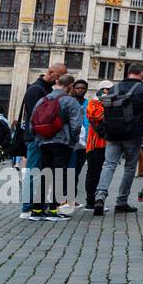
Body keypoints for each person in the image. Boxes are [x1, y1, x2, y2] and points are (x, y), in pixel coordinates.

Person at [93, 62, 143, 217]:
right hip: (132, 134)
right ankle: (121, 201)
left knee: (108, 165)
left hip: (112, 133)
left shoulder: (114, 87)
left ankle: (100, 196)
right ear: (141, 73)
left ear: (128, 73)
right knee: (129, 167)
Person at [29, 73, 83, 221]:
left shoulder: (43, 99)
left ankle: (37, 210)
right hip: (62, 142)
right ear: (70, 86)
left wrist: (37, 138)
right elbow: (76, 125)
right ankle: (53, 210)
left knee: (45, 174)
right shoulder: (70, 101)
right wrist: (73, 141)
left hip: (43, 142)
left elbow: (32, 121)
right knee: (59, 175)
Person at [17, 61, 66, 219]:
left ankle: (36, 206)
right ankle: (27, 208)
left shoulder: (45, 89)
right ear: (51, 73)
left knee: (40, 172)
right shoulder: (35, 90)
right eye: (58, 77)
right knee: (33, 172)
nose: (58, 81)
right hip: (35, 138)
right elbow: (37, 117)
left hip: (42, 138)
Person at [82, 85, 109, 209]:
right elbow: (96, 116)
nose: (107, 93)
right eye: (105, 90)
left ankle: (99, 200)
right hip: (94, 144)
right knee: (93, 172)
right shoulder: (93, 103)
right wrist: (108, 106)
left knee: (103, 173)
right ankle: (90, 201)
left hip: (108, 144)